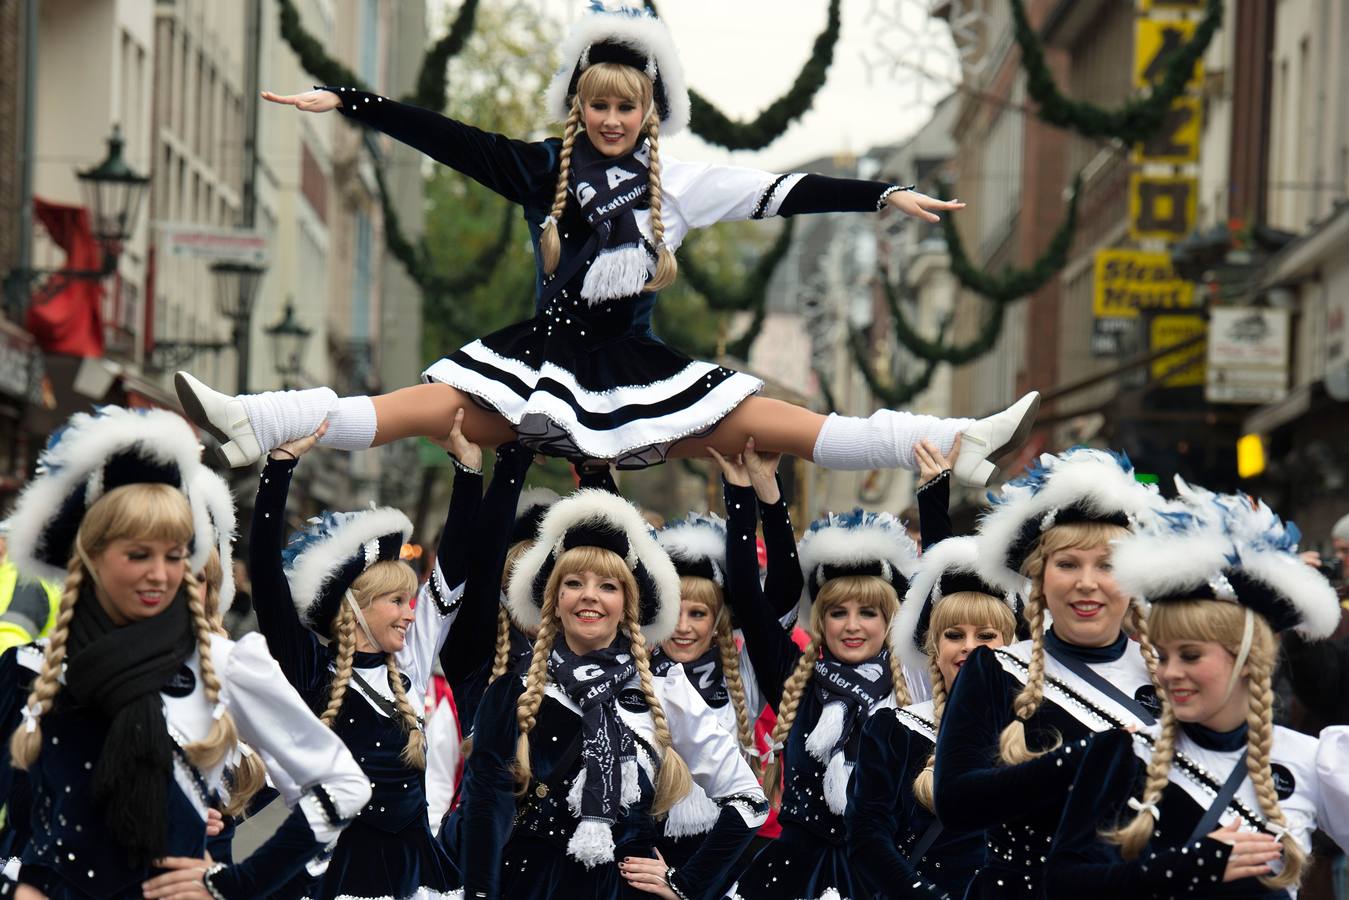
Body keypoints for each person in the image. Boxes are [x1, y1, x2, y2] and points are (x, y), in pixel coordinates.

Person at [173, 5, 1039, 486]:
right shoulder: (539, 167)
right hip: (542, 365)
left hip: (637, 368)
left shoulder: (685, 183)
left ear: (650, 109)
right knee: (422, 408)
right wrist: (354, 103)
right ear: (578, 106)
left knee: (786, 427)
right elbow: (450, 138)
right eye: (599, 105)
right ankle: (261, 420)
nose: (613, 120)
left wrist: (882, 193)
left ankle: (950, 440)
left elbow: (786, 193)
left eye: (628, 107)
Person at [0, 406, 370, 899]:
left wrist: (234, 885)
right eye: (139, 555)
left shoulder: (222, 661)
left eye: (176, 556)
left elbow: (342, 783)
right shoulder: (33, 666)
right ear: (90, 556)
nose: (161, 574)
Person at [450, 489, 768, 898]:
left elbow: (748, 799)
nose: (589, 595)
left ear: (627, 604)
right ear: (555, 599)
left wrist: (689, 884)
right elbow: (484, 811)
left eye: (608, 586)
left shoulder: (667, 693)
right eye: (574, 582)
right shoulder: (516, 691)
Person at [1044, 484, 1349, 898]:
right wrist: (1188, 868)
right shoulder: (1120, 754)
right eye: (1162, 655)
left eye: (1190, 656)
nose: (1168, 673)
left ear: (1247, 660)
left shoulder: (1314, 761)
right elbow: (1064, 885)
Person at [247, 416, 468, 899]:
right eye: (396, 602)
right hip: (337, 873)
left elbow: (456, 567)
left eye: (411, 603)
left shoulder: (407, 668)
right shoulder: (311, 671)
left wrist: (469, 473)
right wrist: (280, 466)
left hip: (415, 874)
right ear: (354, 608)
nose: (411, 616)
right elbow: (265, 577)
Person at [932, 448, 1168, 897]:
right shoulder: (995, 669)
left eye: (1107, 565)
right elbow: (956, 802)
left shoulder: (1169, 675)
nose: (1087, 582)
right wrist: (1086, 760)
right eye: (1067, 564)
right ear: (1039, 577)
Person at [728, 492, 918, 900]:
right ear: (822, 619)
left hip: (882, 878)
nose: (852, 626)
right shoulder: (796, 675)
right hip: (790, 876)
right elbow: (747, 590)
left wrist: (935, 490)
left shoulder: (914, 685)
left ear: (890, 620)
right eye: (838, 612)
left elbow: (944, 599)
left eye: (868, 612)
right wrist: (761, 494)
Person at [846, 536, 1020, 899]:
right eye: (955, 635)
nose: (969, 646)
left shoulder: (1038, 732)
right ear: (935, 649)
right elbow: (866, 836)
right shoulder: (894, 730)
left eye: (986, 635)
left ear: (1011, 645)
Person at [650, 512, 762, 894]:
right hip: (648, 854)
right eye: (672, 612)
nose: (682, 627)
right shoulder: (633, 675)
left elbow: (771, 607)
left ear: (717, 621)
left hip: (722, 860)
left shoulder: (743, 678)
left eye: (697, 614)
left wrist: (745, 493)